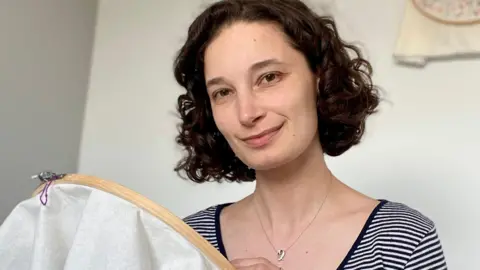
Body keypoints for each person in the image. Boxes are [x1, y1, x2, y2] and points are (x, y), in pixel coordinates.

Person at [173, 0, 448, 269]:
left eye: (269, 77)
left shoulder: (404, 242)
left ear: (319, 77)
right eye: (223, 92)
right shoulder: (185, 243)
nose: (247, 113)